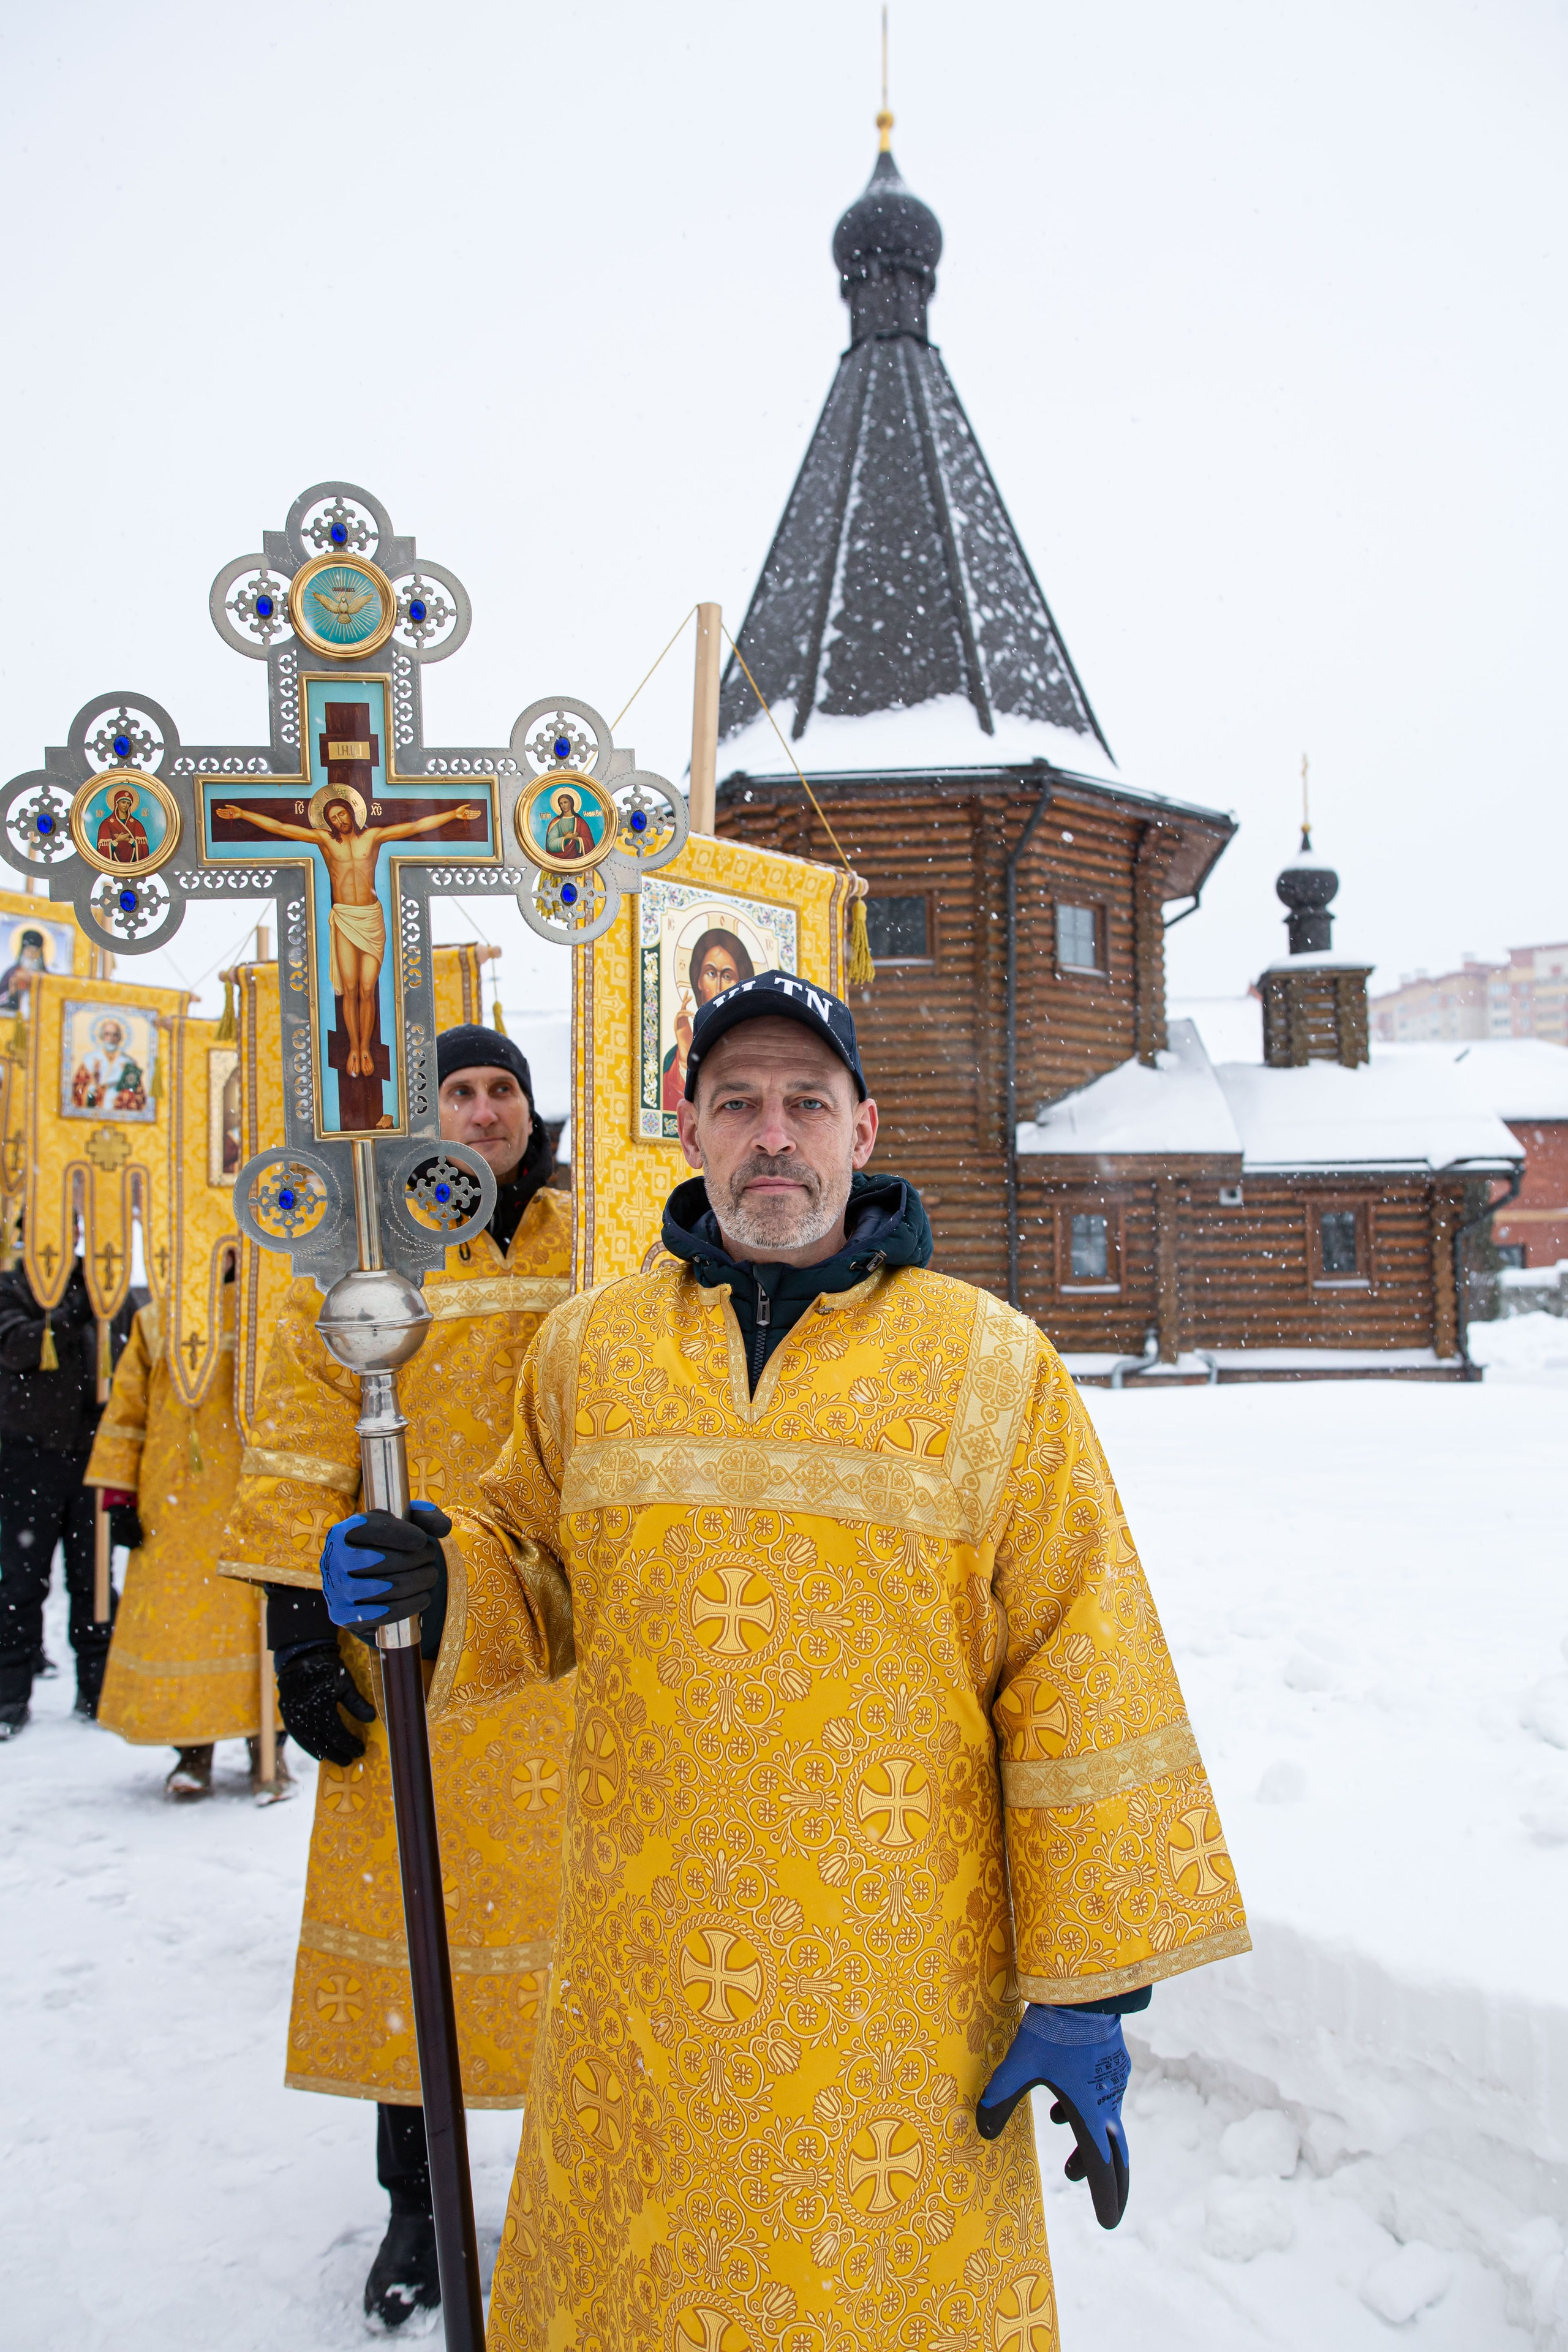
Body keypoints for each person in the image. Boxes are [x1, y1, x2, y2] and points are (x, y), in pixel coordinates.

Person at [320, 973, 1250, 2351]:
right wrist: (439, 1582)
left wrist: (1088, 1987)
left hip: (895, 1994)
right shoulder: (590, 1353)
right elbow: (535, 1562)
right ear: (683, 1127)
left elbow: (1079, 1660)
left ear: (861, 1130)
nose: (773, 1136)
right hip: (644, 1976)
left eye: (805, 1105)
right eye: (737, 1102)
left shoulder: (992, 1367)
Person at [218, 1025, 573, 2329]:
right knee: (407, 1935)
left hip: (558, 1653)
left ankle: (561, 2184)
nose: (482, 1114)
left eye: (503, 1091)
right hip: (405, 1657)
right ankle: (417, 2206)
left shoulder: (593, 1247)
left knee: (569, 1949)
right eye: (459, 1094)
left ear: (535, 1112)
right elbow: (302, 1441)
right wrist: (302, 1639)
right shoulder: (367, 1260)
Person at [86, 1268, 292, 1801]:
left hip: (256, 1496)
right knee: (182, 1627)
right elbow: (128, 1411)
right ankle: (192, 1752)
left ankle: (268, 1749)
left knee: (266, 1623)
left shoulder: (280, 1312)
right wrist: (119, 1496)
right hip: (176, 1507)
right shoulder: (157, 1320)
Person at [213, 794, 478, 1078]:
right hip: (345, 918)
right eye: (333, 818)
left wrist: (453, 815)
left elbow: (415, 827)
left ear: (352, 813)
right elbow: (282, 828)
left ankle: (367, 1046)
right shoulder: (326, 842)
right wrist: (243, 814)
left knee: (368, 989)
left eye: (342, 814)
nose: (340, 821)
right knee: (350, 990)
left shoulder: (373, 837)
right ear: (328, 822)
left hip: (371, 918)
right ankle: (355, 1047)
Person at [0, 1254, 135, 1735]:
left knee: (95, 1580)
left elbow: (130, 1361)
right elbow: (16, 1347)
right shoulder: (15, 1284)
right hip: (29, 1457)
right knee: (21, 1582)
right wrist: (67, 1316)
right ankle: (10, 1696)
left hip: (93, 1456)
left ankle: (98, 1690)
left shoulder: (109, 1285)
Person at [660, 922, 755, 1109]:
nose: (718, 987)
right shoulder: (674, 1057)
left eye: (727, 976)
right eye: (711, 974)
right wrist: (685, 1056)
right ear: (699, 981)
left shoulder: (759, 1049)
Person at [95, 785, 152, 865]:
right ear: (117, 803)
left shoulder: (137, 824)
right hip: (114, 864)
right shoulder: (106, 824)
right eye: (123, 802)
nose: (126, 806)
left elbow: (143, 848)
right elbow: (103, 850)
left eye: (128, 803)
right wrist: (117, 840)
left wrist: (128, 840)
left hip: (133, 863)